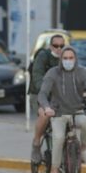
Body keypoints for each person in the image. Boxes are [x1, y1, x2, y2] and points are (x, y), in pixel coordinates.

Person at [38, 46, 86, 173]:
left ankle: (84, 150)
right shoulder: (53, 73)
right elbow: (42, 93)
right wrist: (47, 107)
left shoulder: (82, 72)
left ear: (75, 59)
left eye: (71, 58)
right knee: (59, 139)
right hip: (58, 113)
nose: (68, 61)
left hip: (77, 111)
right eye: (65, 58)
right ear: (60, 59)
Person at [30, 34, 65, 163]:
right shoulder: (43, 57)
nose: (59, 48)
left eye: (62, 46)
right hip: (39, 94)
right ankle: (36, 143)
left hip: (59, 97)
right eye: (56, 46)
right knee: (45, 115)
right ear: (51, 46)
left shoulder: (67, 58)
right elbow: (37, 77)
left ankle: (74, 149)